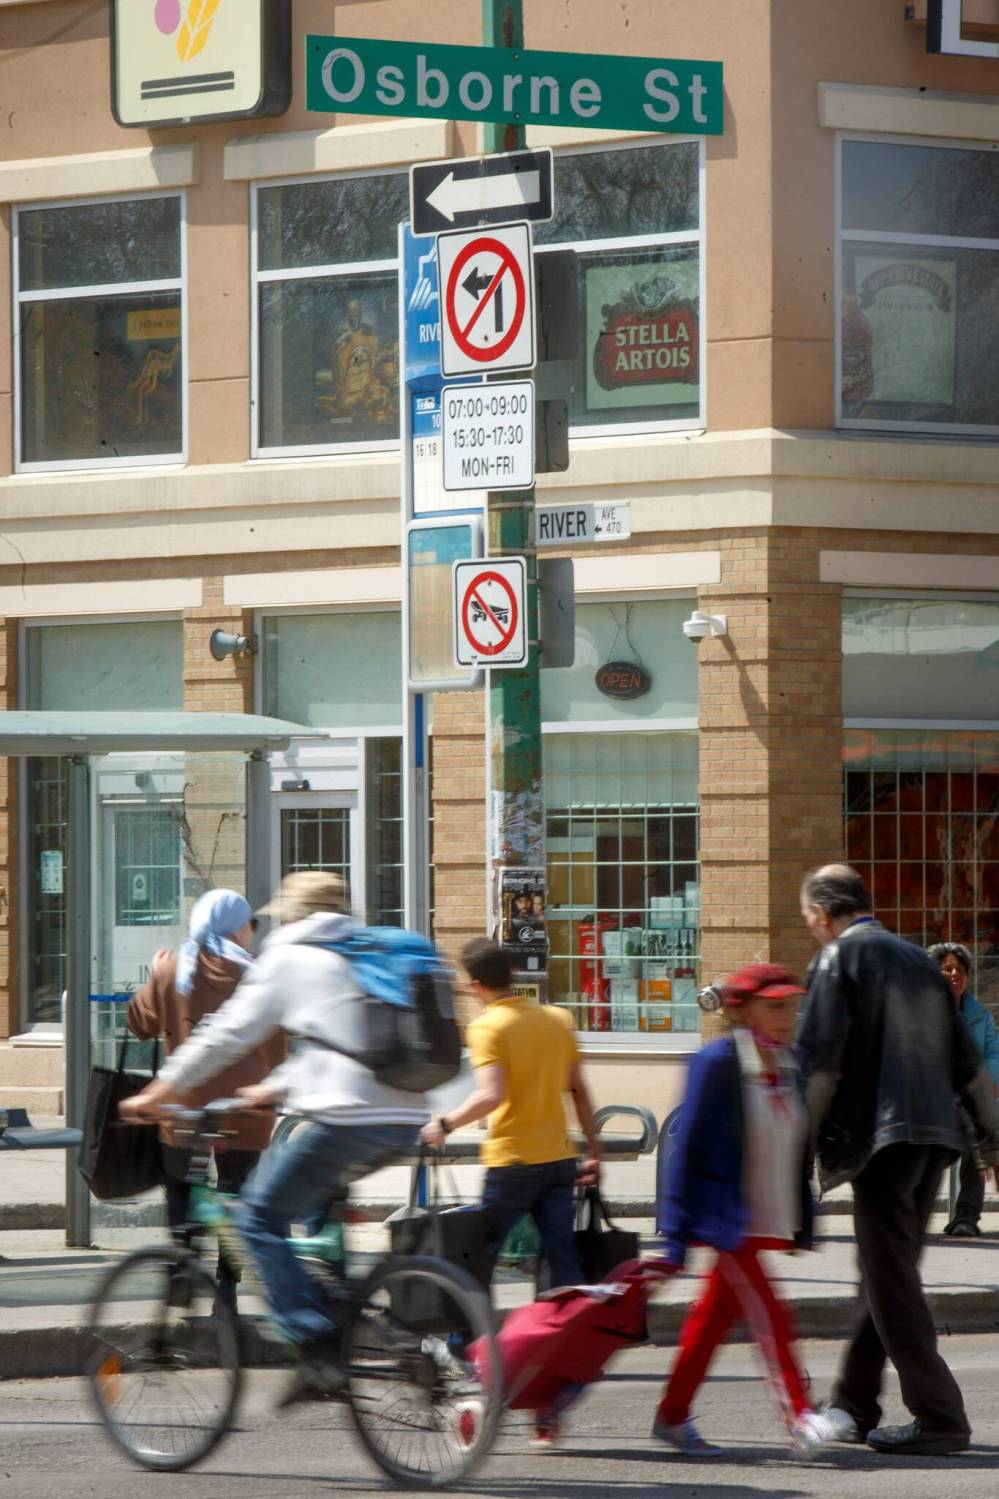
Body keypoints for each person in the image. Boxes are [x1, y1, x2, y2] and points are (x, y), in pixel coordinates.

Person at [120, 871, 429, 1402]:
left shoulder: (282, 959)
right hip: (404, 1113)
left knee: (257, 1217)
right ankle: (357, 1307)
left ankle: (314, 1345)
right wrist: (274, 1085)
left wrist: (159, 1091)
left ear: (293, 914)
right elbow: (323, 1043)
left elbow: (227, 1034)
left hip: (320, 1114)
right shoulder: (360, 950)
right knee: (305, 1208)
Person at [798, 863, 999, 1457]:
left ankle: (940, 1417)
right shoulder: (921, 962)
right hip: (935, 1139)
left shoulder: (838, 960)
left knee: (890, 1280)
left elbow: (820, 1068)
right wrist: (989, 1142)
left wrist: (794, 1163)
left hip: (883, 1142)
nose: (810, 926)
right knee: (886, 1276)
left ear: (822, 914)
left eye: (808, 915)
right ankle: (854, 1406)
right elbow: (969, 1067)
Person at [655, 962, 830, 1461]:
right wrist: (675, 1236)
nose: (785, 1015)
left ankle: (671, 1416)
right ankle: (799, 1415)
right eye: (774, 1006)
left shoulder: (793, 1063)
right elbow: (684, 1150)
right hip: (728, 1221)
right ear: (743, 1009)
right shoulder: (716, 1063)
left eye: (790, 1005)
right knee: (771, 1314)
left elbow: (799, 1151)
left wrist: (803, 1222)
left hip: (764, 1217)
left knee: (710, 1322)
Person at [126, 888, 283, 1309]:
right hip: (246, 1110)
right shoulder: (258, 973)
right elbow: (278, 1042)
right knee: (235, 1196)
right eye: (251, 924)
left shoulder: (174, 969)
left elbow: (138, 1023)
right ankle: (226, 1293)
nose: (252, 932)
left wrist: (156, 977)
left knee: (180, 1186)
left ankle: (182, 1273)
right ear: (236, 928)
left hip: (184, 1107)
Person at [420, 937, 600, 1294]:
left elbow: (491, 1094)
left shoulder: (488, 1027)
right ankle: (561, 1340)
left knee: (479, 1255)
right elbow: (578, 1090)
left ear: (474, 985)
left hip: (514, 1160)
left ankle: (464, 1344)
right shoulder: (558, 1019)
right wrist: (594, 1150)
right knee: (561, 1258)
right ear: (512, 973)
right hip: (560, 1157)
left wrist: (444, 1124)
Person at [927, 941, 999, 1237]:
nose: (954, 974)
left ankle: (966, 1217)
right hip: (930, 1104)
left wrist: (985, 1082)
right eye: (946, 969)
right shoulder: (921, 1012)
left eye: (959, 969)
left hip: (967, 1102)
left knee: (979, 1137)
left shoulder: (980, 1016)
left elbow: (993, 1054)